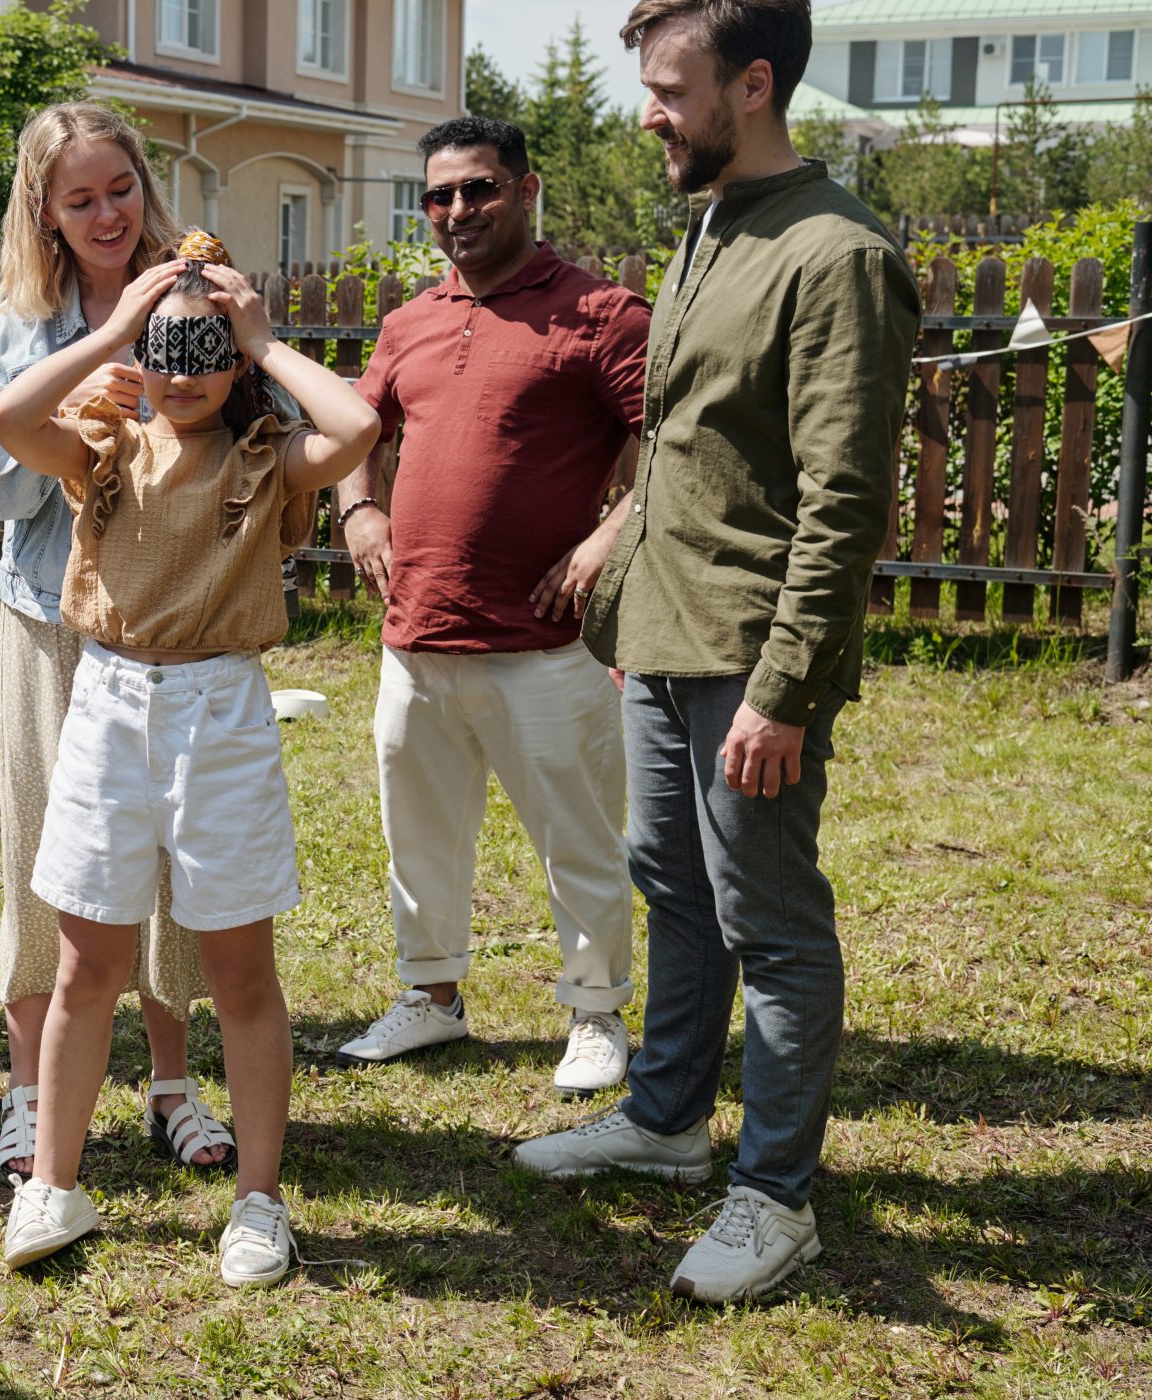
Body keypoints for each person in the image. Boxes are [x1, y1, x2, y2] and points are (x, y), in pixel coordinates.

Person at [513, 0, 918, 1304]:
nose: (649, 113)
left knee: (774, 929)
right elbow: (690, 454)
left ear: (753, 85)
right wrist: (618, 579)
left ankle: (776, 1197)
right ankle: (670, 1120)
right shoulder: (708, 225)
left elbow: (842, 504)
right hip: (665, 636)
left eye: (672, 90)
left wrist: (786, 690)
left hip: (751, 657)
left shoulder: (836, 255)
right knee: (671, 888)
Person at [0, 234, 380, 1287]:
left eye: (209, 348)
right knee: (85, 961)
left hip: (219, 710)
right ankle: (54, 1182)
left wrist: (263, 340)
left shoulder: (266, 462)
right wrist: (110, 334)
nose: (186, 368)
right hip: (107, 701)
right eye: (172, 344)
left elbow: (358, 423)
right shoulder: (105, 446)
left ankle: (258, 1199)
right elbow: (5, 421)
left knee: (240, 968)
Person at [332, 115, 651, 1098]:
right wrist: (357, 509)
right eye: (439, 195)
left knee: (578, 835)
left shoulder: (602, 312)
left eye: (478, 189)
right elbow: (356, 431)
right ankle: (430, 997)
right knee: (418, 830)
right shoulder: (408, 320)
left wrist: (603, 543)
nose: (458, 211)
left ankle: (594, 1011)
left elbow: (675, 449)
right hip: (415, 633)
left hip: (544, 642)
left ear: (526, 188)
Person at [0, 102, 236, 1184]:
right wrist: (72, 399)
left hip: (173, 624)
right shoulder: (17, 322)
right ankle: (30, 1087)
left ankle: (171, 1081)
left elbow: (245, 441)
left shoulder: (198, 294)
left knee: (165, 849)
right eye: (80, 198)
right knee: (46, 849)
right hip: (49, 617)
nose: (106, 213)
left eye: (119, 188)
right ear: (45, 211)